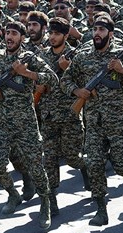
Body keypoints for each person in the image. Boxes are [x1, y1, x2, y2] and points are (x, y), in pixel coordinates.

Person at [60, 15, 123, 227]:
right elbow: (65, 80)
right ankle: (101, 209)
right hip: (93, 121)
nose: (97, 33)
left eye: (101, 29)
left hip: (118, 120)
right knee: (94, 163)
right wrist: (77, 90)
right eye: (94, 29)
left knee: (121, 163)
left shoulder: (120, 54)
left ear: (110, 33)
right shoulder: (82, 57)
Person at [0, 21, 58, 230]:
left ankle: (45, 202)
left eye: (14, 34)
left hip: (25, 123)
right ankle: (13, 193)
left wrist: (25, 73)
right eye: (7, 33)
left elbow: (52, 79)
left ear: (22, 38)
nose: (9, 37)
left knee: (36, 167)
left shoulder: (30, 59)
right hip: (2, 123)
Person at [38, 17, 90, 216]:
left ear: (66, 35)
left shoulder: (76, 57)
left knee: (72, 158)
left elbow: (86, 82)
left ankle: (85, 168)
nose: (52, 37)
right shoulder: (42, 57)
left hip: (70, 115)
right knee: (49, 160)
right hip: (49, 115)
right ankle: (51, 201)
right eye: (50, 33)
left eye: (57, 34)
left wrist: (67, 68)